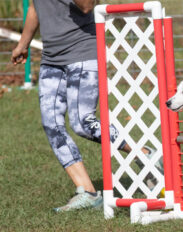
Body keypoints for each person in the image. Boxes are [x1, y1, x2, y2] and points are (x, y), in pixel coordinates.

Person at [11, 0, 163, 212]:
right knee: (51, 125)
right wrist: (23, 44)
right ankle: (88, 192)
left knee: (83, 123)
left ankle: (144, 154)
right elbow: (36, 7)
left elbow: (86, 6)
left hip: (82, 52)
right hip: (51, 58)